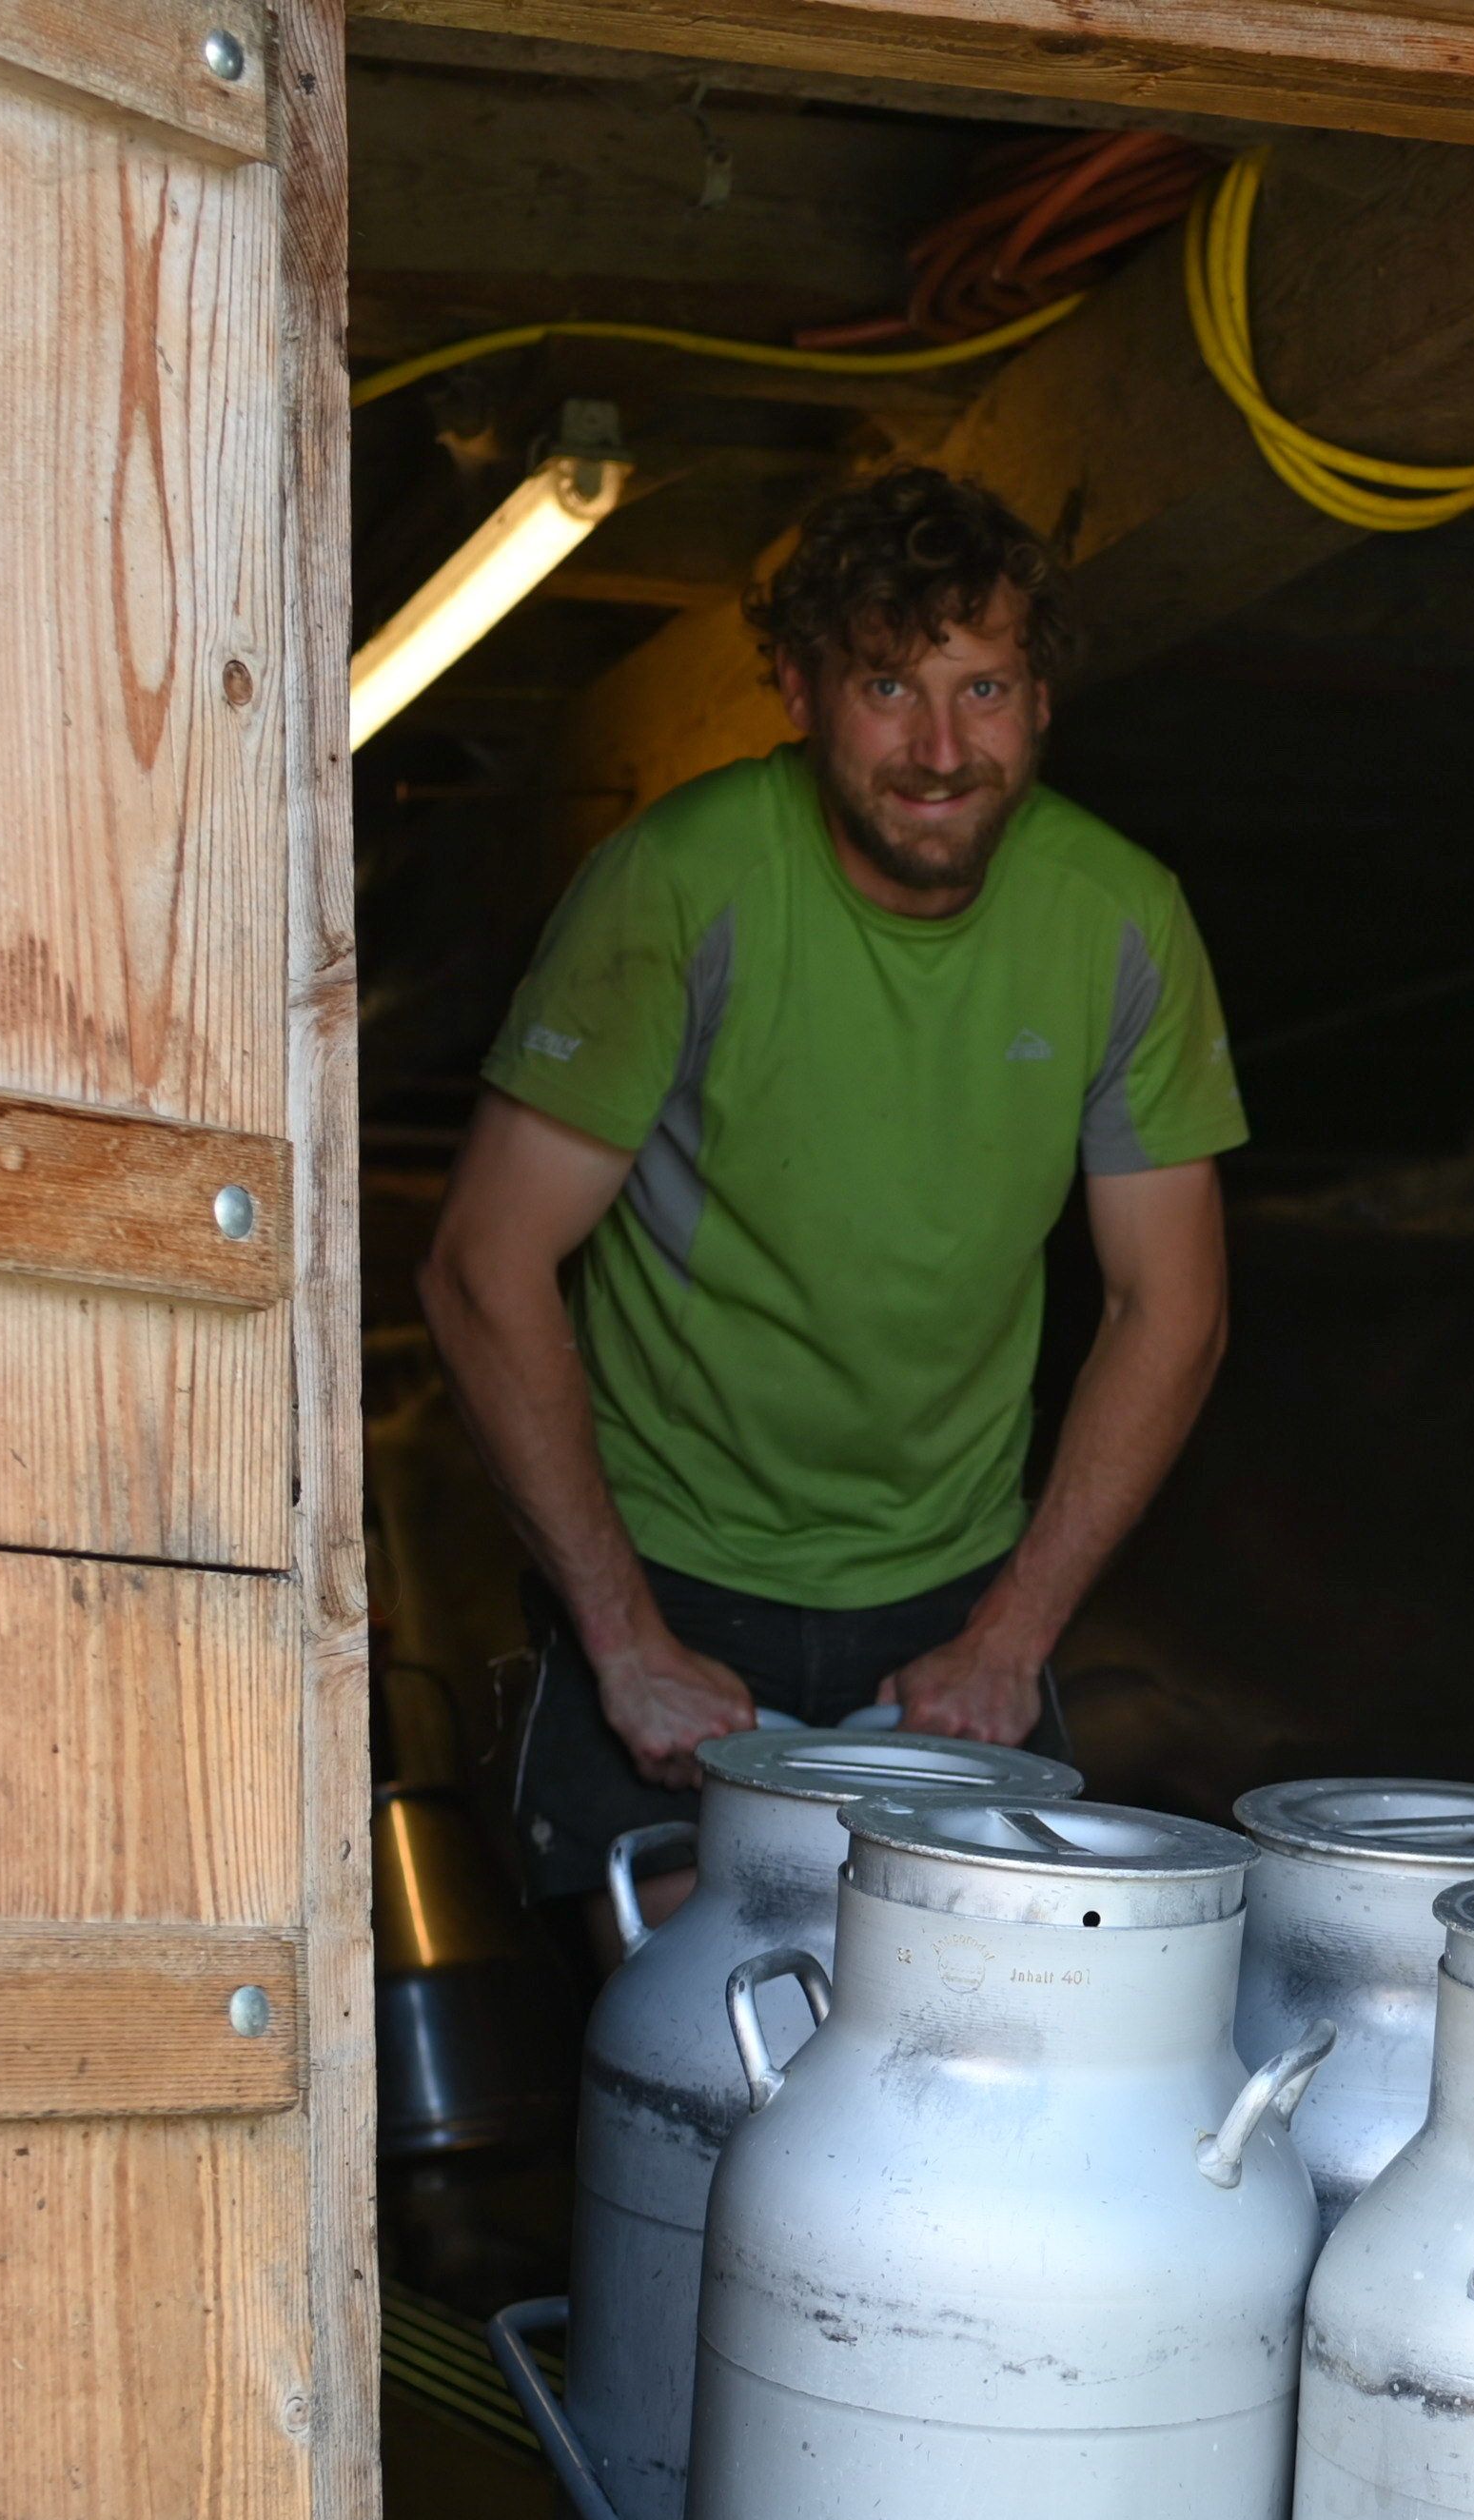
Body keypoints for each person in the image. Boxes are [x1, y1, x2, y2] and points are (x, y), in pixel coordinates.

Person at [415, 467, 1242, 1925]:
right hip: (668, 1568)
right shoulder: (680, 879)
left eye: (982, 690)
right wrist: (622, 1641)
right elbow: (484, 1265)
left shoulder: (1123, 919)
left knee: (985, 2034)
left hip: (956, 1592)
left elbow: (1170, 1308)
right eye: (886, 686)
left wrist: (1011, 1636)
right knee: (700, 2014)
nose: (939, 749)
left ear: (1042, 700)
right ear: (798, 691)